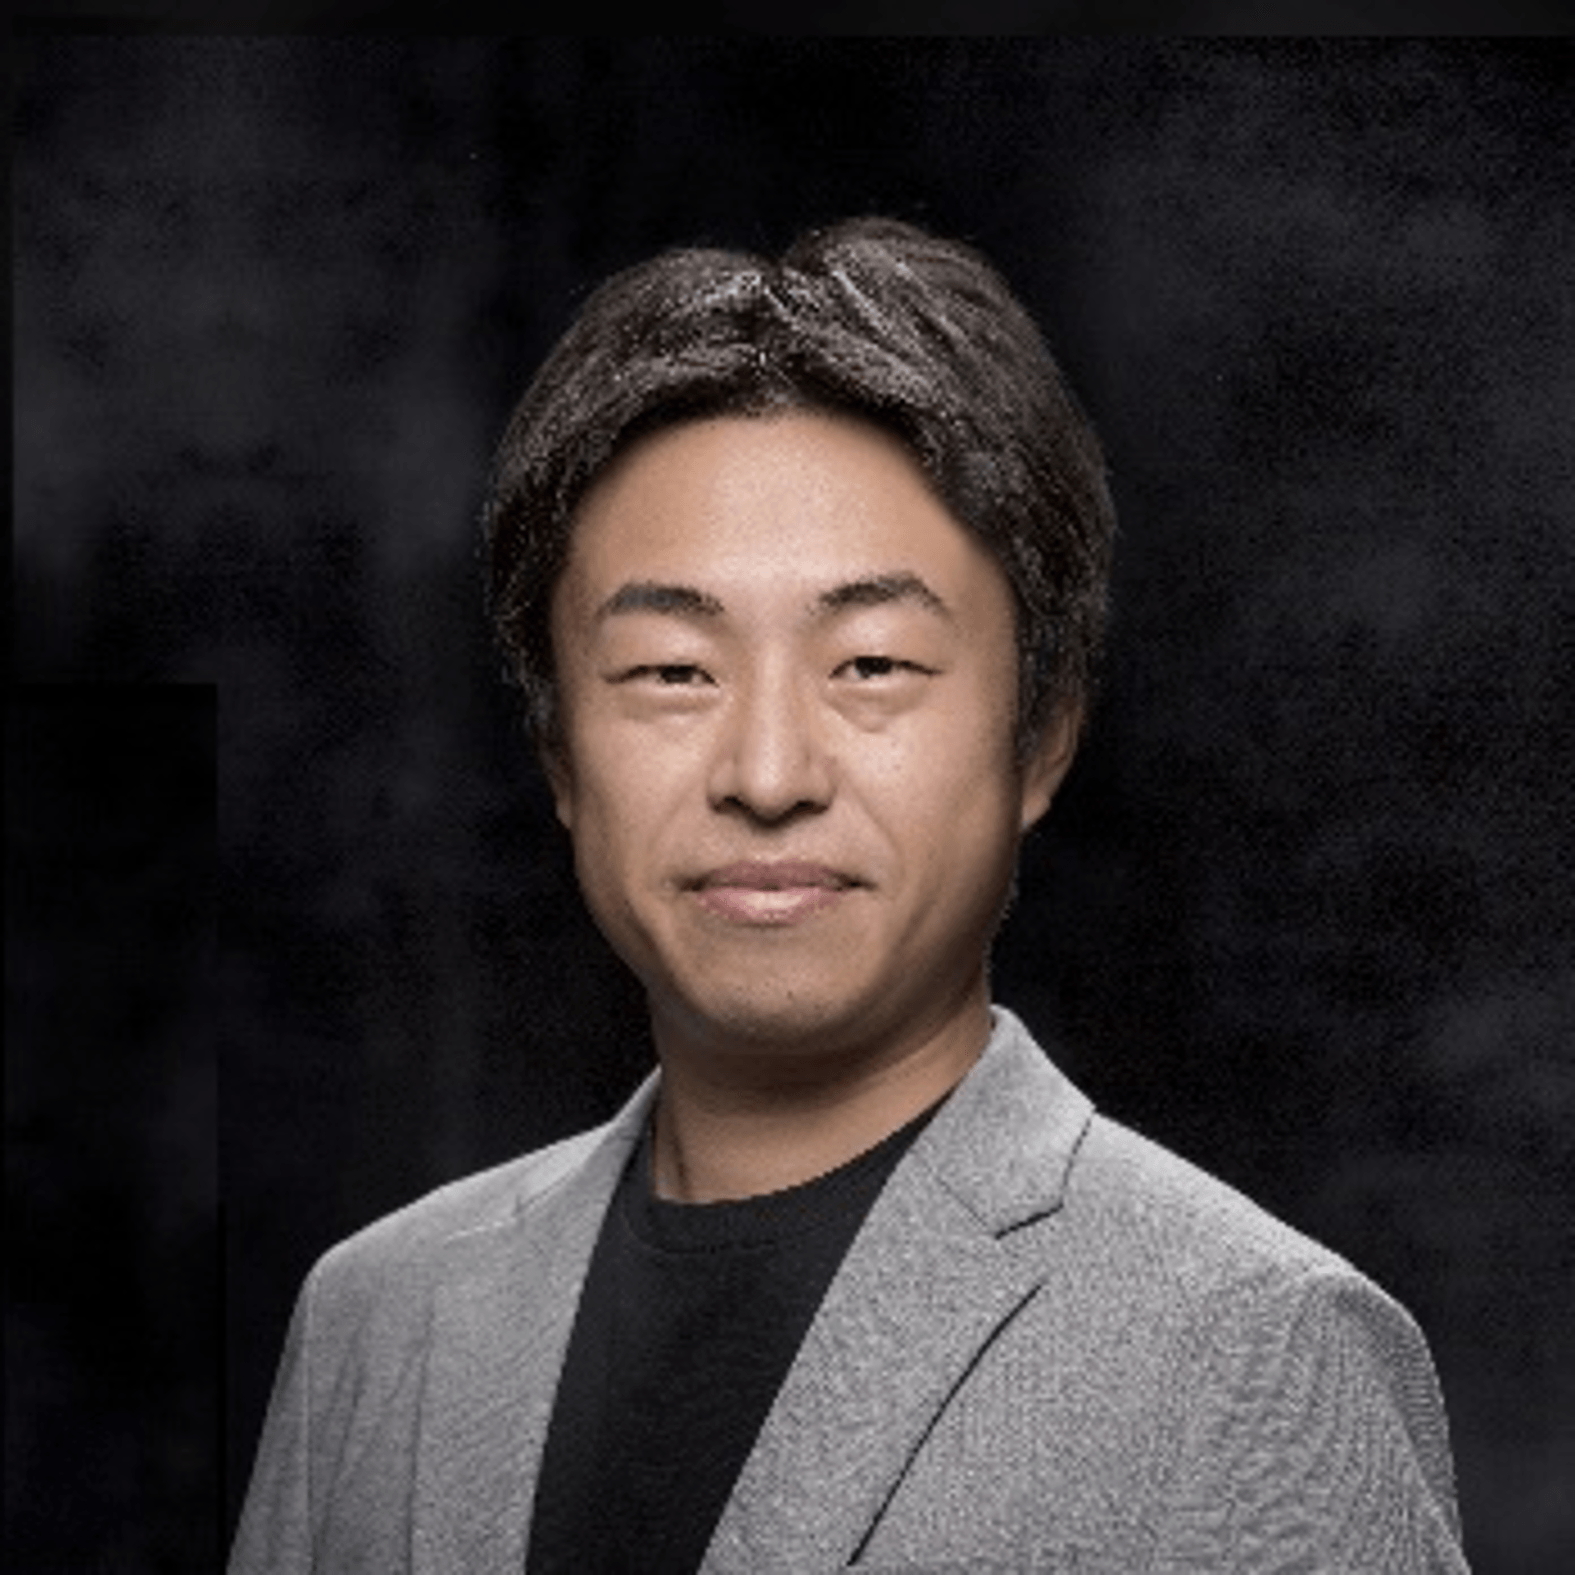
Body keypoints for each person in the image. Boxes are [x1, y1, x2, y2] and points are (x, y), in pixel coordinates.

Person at [230, 217, 1467, 1572]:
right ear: (559, 753)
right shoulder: (377, 1317)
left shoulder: (1257, 1349)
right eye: (672, 671)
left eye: (872, 665)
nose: (768, 773)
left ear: (1040, 737)